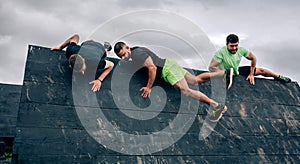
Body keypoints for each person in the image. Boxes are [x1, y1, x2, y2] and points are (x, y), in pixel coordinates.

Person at [114, 42, 227, 122]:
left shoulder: (137, 53)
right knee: (195, 80)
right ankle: (222, 73)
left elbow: (152, 68)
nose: (124, 57)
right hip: (169, 64)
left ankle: (216, 106)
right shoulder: (136, 53)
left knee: (186, 91)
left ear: (127, 47)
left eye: (124, 54)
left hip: (167, 69)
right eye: (121, 57)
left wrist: (148, 87)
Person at [197, 34, 291, 89]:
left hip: (236, 70)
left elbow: (253, 58)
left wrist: (251, 74)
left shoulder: (241, 50)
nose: (234, 48)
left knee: (261, 71)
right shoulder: (220, 53)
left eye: (236, 45)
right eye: (231, 46)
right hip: (225, 72)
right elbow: (211, 67)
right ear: (227, 45)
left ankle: (278, 77)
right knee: (223, 74)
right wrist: (222, 73)